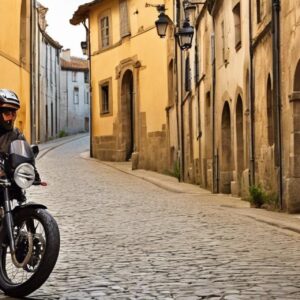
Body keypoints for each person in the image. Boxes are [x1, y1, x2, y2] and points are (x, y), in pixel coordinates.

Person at [0, 89, 41, 190]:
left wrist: (34, 174)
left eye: (13, 113)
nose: (11, 118)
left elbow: (24, 156)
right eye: (7, 113)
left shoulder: (16, 134)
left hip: (11, 182)